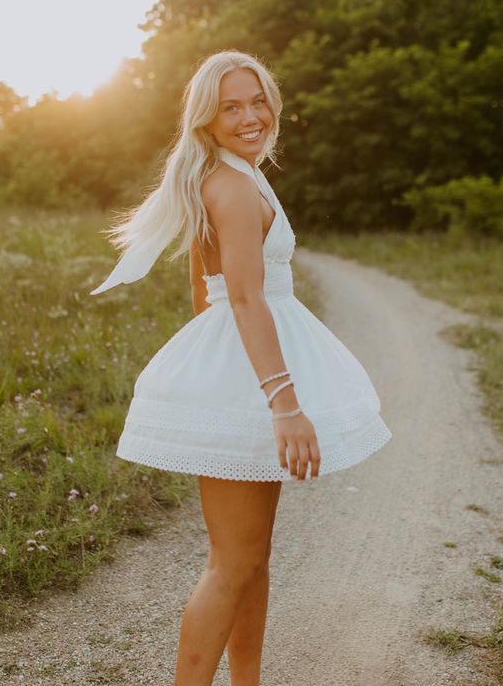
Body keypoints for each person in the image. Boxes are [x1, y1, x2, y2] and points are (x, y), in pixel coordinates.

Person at [90, 50, 392, 685]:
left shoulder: (241, 174)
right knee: (233, 562)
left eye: (258, 101)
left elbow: (206, 289)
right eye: (232, 106)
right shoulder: (228, 185)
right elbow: (245, 298)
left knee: (252, 558)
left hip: (245, 371)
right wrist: (283, 404)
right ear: (208, 117)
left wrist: (226, 366)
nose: (251, 115)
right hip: (256, 381)